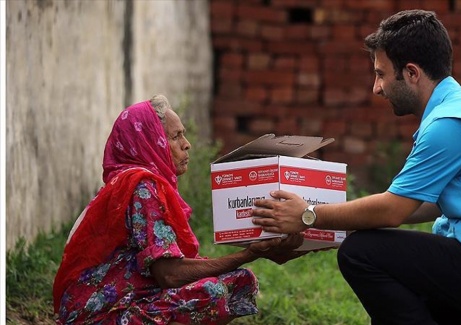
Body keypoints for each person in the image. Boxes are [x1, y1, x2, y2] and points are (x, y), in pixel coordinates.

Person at [252, 9, 461, 325]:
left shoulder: (450, 124)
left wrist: (309, 214)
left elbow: (393, 210)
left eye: (380, 74)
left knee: (363, 252)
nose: (376, 88)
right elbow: (424, 205)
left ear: (411, 73)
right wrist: (342, 220)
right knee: (406, 279)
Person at [53, 95, 305, 324]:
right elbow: (169, 275)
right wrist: (248, 254)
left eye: (183, 135)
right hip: (97, 316)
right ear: (149, 142)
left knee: (239, 280)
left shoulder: (129, 182)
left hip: (101, 306)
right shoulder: (142, 187)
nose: (187, 145)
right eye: (174, 137)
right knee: (214, 291)